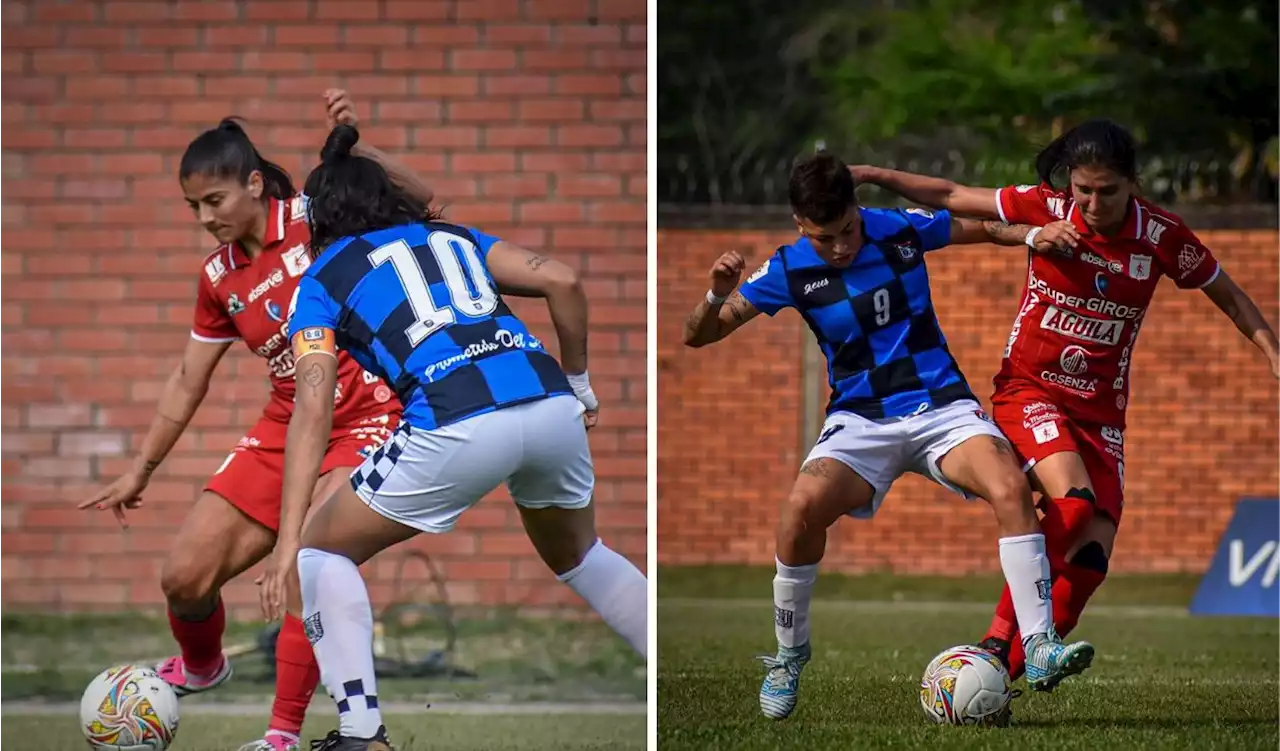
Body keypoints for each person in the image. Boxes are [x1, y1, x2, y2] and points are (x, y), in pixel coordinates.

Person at [851, 118, 1280, 693]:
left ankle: (998, 678)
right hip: (1031, 390)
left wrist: (1272, 352)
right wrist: (874, 174)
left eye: (1109, 192)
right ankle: (999, 642)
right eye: (1084, 190)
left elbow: (1228, 294)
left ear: (1132, 185)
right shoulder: (1045, 209)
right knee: (1072, 507)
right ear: (1070, 183)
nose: (1094, 204)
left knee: (1090, 562)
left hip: (1102, 414)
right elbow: (953, 195)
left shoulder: (1160, 236)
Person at [257, 123, 648, 751]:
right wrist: (578, 382)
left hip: (456, 420)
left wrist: (286, 542)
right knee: (580, 555)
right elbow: (565, 281)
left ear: (317, 220)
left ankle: (360, 735)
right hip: (550, 406)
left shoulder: (322, 279)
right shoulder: (451, 236)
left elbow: (312, 406)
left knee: (321, 551)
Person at [681, 151, 1096, 723]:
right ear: (801, 226)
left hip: (941, 406)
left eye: (849, 229)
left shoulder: (896, 228)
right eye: (827, 239)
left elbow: (976, 225)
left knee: (1007, 482)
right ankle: (788, 657)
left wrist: (1032, 233)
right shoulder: (787, 268)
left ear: (858, 209)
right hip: (860, 420)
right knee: (800, 510)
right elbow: (701, 336)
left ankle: (1041, 644)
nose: (844, 246)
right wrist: (713, 294)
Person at [81, 91, 435, 751]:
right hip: (286, 423)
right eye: (193, 207)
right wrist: (140, 469)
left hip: (366, 414)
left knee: (308, 560)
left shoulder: (315, 212)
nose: (204, 217)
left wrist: (358, 149)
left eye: (213, 201)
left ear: (251, 184)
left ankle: (280, 735)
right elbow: (189, 378)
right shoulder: (218, 277)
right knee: (183, 577)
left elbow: (426, 201)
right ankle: (204, 665)